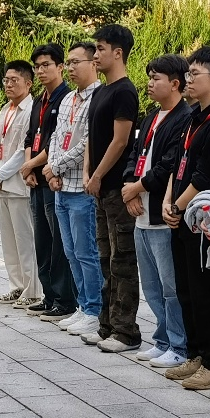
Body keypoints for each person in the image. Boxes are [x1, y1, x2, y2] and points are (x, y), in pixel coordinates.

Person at [163, 46, 210, 390]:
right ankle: (194, 354)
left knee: (207, 294)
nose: (188, 79)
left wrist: (178, 207)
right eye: (188, 73)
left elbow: (205, 176)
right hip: (180, 214)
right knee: (186, 291)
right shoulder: (193, 117)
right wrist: (169, 202)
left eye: (195, 74)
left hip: (200, 220)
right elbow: (178, 165)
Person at [122, 54, 192, 368]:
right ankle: (162, 340)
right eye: (149, 77)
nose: (149, 84)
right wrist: (129, 187)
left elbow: (169, 165)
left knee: (170, 287)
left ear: (175, 83)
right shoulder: (151, 117)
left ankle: (179, 345)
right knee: (151, 286)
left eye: (156, 79)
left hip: (162, 217)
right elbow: (134, 155)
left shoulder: (184, 118)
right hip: (141, 214)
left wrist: (138, 187)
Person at [84, 24, 142, 353]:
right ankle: (106, 325)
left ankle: (126, 330)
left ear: (118, 53)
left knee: (122, 260)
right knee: (105, 258)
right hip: (100, 188)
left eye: (101, 49)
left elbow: (120, 141)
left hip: (117, 189)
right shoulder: (101, 92)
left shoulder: (125, 92)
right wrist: (89, 172)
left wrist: (98, 175)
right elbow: (92, 138)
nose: (96, 55)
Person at [45, 44, 104, 337]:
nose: (70, 68)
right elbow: (57, 136)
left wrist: (56, 167)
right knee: (70, 252)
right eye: (68, 62)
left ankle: (95, 309)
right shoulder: (68, 98)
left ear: (94, 63)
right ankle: (83, 305)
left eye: (75, 62)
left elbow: (87, 144)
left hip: (82, 189)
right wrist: (53, 171)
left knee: (86, 252)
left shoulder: (99, 97)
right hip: (61, 188)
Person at [20, 44, 77, 321]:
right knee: (41, 241)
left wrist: (32, 165)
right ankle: (49, 296)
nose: (41, 71)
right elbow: (31, 137)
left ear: (60, 67)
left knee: (59, 244)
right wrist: (29, 169)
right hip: (37, 180)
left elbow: (57, 143)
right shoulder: (38, 101)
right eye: (37, 67)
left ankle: (65, 299)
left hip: (55, 179)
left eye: (46, 65)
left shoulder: (66, 99)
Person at [0, 60, 41, 307]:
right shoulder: (5, 109)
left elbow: (24, 150)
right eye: (6, 80)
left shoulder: (31, 110)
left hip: (19, 184)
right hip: (1, 184)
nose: (8, 84)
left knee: (25, 240)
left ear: (28, 83)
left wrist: (0, 175)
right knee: (9, 242)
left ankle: (32, 290)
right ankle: (16, 286)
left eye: (14, 80)